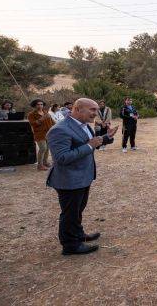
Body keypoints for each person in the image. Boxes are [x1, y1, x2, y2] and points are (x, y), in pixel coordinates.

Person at [46, 98, 118, 255]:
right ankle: (70, 245)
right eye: (92, 109)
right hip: (69, 179)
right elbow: (62, 158)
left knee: (78, 209)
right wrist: (90, 145)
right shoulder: (60, 130)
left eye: (96, 109)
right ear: (77, 109)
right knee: (70, 212)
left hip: (82, 177)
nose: (95, 113)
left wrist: (106, 138)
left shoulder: (84, 125)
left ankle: (78, 234)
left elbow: (89, 143)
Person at [27, 99, 55, 171]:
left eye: (41, 104)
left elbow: (52, 121)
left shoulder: (45, 112)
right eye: (38, 104)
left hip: (49, 133)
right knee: (43, 148)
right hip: (39, 134)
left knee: (47, 148)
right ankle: (40, 165)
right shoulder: (31, 114)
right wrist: (42, 119)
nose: (40, 106)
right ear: (34, 105)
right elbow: (33, 124)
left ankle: (45, 162)